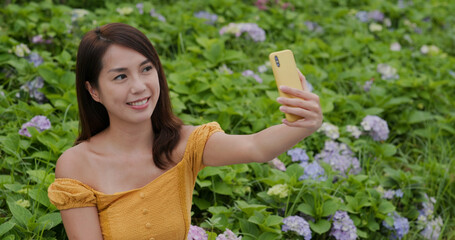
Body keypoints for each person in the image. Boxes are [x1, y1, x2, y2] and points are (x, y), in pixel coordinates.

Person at [47, 22, 322, 240]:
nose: (139, 86)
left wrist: (304, 124)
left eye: (146, 69)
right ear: (93, 90)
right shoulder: (77, 165)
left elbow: (256, 147)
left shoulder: (182, 143)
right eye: (120, 76)